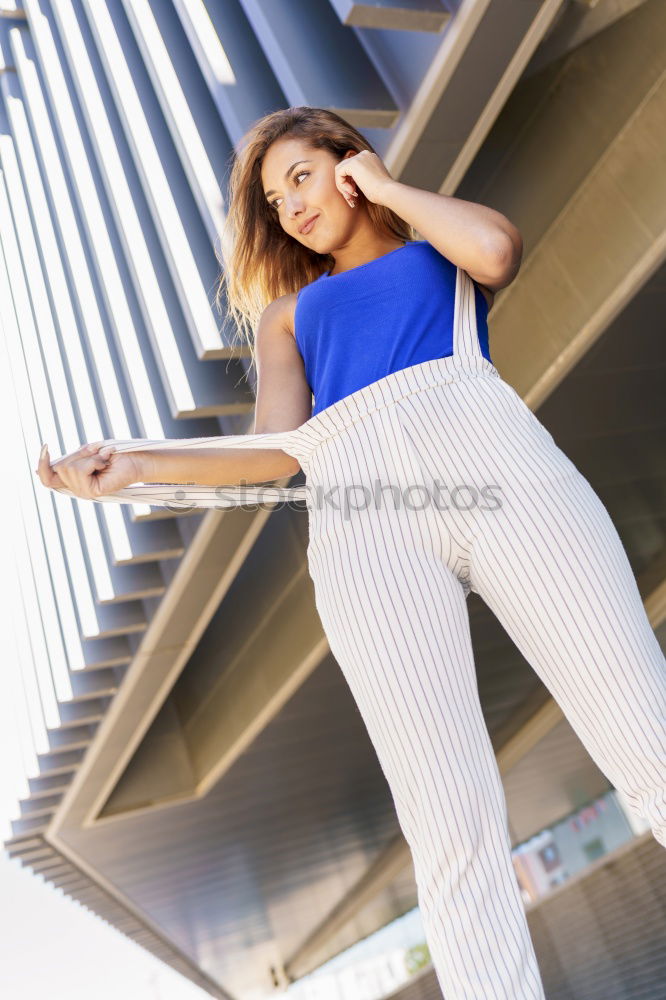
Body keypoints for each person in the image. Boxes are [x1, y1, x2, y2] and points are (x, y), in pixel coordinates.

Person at [36, 107, 665, 1000]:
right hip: (362, 514)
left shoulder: (434, 250)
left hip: (493, 460)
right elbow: (269, 453)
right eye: (272, 197)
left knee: (645, 723)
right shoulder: (288, 315)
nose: (289, 205)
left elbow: (496, 249)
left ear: (348, 164)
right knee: (446, 817)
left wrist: (385, 186)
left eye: (302, 176)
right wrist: (131, 464)